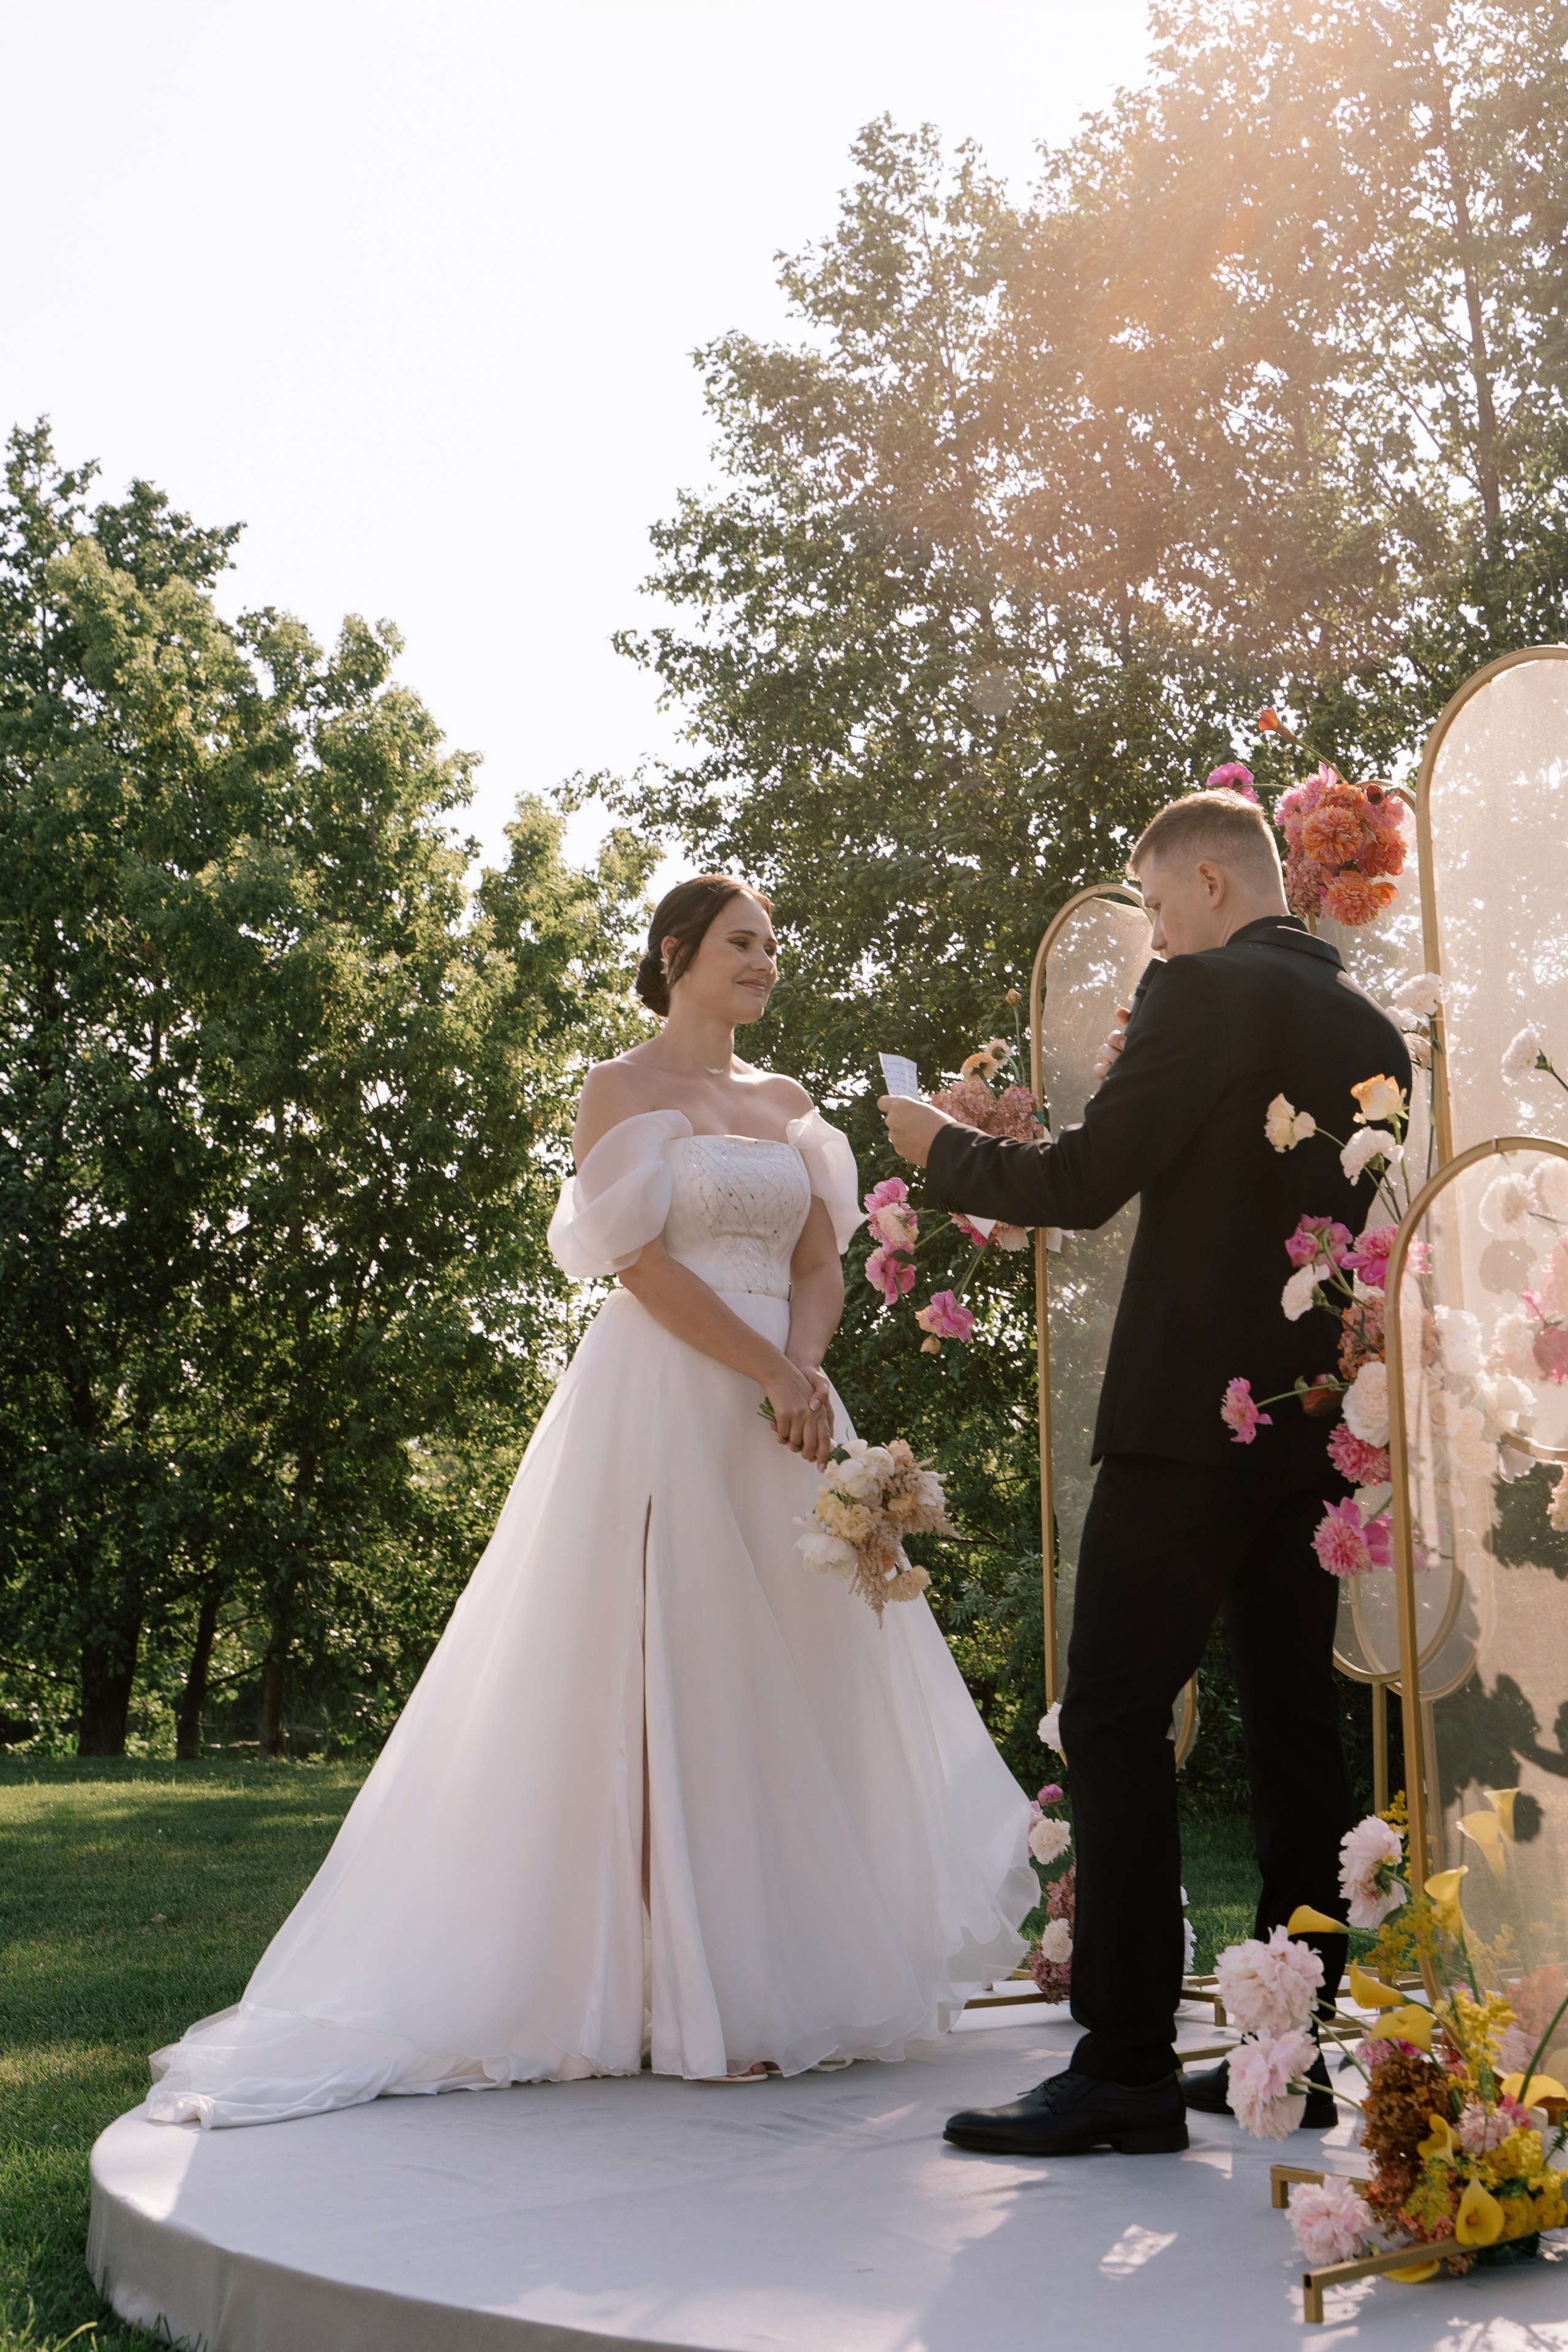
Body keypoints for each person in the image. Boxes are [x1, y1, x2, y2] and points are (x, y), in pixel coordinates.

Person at [148, 874, 1033, 2127]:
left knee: (783, 1673)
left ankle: (773, 1982)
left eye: (772, 947)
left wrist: (805, 1377)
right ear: (675, 953)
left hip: (784, 1412)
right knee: (665, 1662)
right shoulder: (618, 1089)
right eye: (740, 944)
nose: (762, 964)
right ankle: (665, 1992)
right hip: (672, 1395)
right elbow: (637, 1266)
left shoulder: (788, 1106)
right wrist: (765, 1365)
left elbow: (818, 1260)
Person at [879, 790, 1412, 2158]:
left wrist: (938, 1151)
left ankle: (1118, 2066)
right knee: (1297, 1731)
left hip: (1186, 1425)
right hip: (1309, 1430)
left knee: (1111, 1716)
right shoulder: (1367, 1028)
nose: (1150, 938)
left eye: (1156, 905)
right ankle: (1284, 2058)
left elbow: (1084, 1180)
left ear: (1208, 887)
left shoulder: (1200, 990)